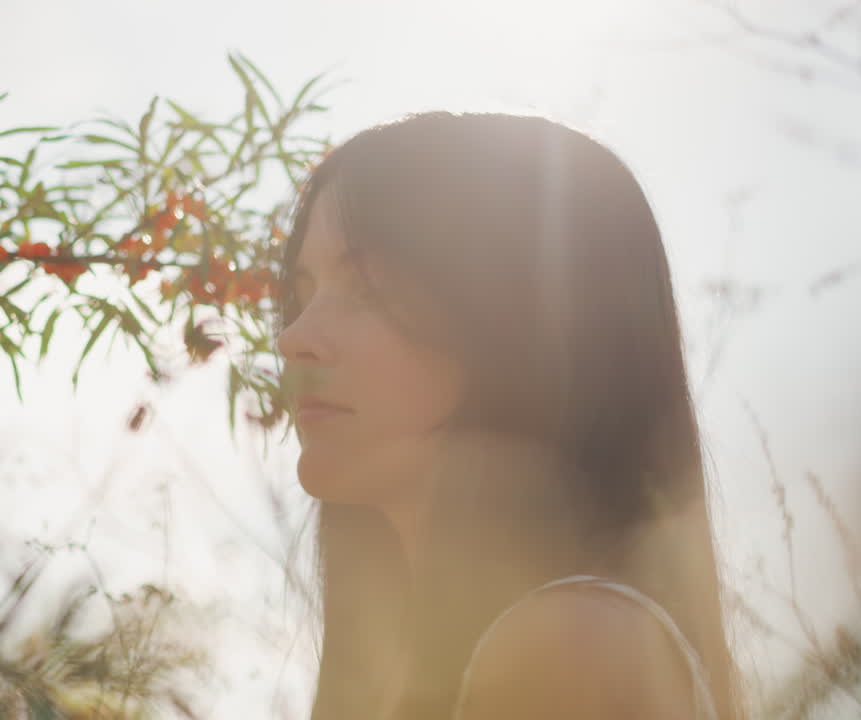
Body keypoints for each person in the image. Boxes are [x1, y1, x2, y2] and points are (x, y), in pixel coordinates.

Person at [274, 111, 747, 719]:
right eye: (304, 291)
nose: (294, 338)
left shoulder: (567, 647)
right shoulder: (477, 654)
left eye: (368, 288)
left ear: (521, 326)